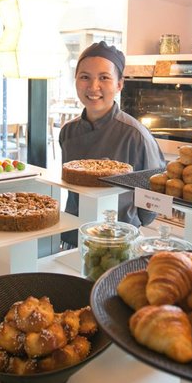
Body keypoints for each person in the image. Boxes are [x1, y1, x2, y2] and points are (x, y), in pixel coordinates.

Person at [59, 41, 165, 245]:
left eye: (104, 77)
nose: (93, 87)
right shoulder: (68, 132)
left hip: (119, 241)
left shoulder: (136, 136)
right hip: (74, 236)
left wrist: (133, 223)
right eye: (85, 77)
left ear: (119, 84)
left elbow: (154, 201)